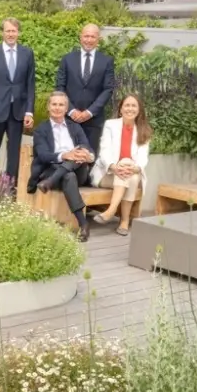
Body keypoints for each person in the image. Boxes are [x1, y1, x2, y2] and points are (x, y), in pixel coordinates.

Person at [29, 91, 96, 242]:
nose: (57, 108)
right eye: (54, 104)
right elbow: (43, 155)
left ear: (66, 108)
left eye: (61, 105)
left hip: (78, 171)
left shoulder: (75, 127)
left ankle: (50, 182)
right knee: (68, 175)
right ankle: (83, 224)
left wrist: (87, 156)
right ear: (48, 107)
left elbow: (89, 149)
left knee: (80, 152)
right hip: (51, 169)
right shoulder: (41, 129)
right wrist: (64, 155)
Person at [0, 17, 36, 182]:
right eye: (8, 31)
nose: (11, 34)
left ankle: (11, 187)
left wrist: (29, 111)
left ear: (18, 33)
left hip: (17, 112)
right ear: (2, 33)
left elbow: (30, 85)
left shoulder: (27, 54)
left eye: (13, 31)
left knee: (14, 153)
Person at [90, 93, 152, 236]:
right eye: (127, 105)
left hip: (129, 173)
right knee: (128, 171)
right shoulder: (110, 125)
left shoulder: (143, 130)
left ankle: (112, 212)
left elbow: (143, 157)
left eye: (134, 106)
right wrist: (114, 167)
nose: (130, 109)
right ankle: (123, 220)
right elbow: (104, 150)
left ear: (139, 110)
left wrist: (135, 168)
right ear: (121, 109)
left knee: (131, 173)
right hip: (107, 175)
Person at [55, 23, 116, 154]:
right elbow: (60, 87)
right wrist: (71, 110)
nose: (89, 40)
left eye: (92, 37)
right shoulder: (67, 59)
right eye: (86, 36)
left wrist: (89, 112)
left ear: (98, 39)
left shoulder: (106, 61)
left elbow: (108, 89)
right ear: (80, 37)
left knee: (90, 157)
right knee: (69, 157)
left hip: (94, 121)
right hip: (70, 119)